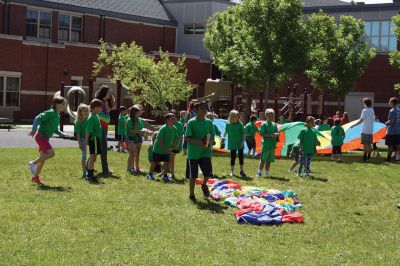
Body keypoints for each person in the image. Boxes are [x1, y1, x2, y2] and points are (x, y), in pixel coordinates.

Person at [28, 96, 68, 185]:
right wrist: (33, 130)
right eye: (62, 104)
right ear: (55, 104)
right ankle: (33, 163)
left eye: (64, 104)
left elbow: (55, 129)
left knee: (42, 159)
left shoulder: (57, 115)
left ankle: (35, 177)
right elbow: (38, 118)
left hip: (44, 138)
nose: (64, 106)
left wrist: (62, 134)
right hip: (41, 136)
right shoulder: (51, 112)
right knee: (51, 153)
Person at [185, 101, 215, 202]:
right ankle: (192, 194)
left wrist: (209, 142)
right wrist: (199, 142)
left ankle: (203, 184)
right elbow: (187, 138)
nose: (204, 110)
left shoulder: (209, 122)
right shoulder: (191, 122)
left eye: (205, 108)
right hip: (193, 153)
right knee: (193, 175)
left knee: (207, 173)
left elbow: (212, 136)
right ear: (196, 110)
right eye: (202, 108)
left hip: (205, 152)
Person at [146, 113, 178, 182]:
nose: (174, 120)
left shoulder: (174, 128)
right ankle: (150, 174)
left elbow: (176, 137)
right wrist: (163, 149)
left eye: (174, 118)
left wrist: (173, 145)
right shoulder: (163, 128)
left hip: (167, 149)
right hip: (158, 149)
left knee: (166, 162)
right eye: (172, 119)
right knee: (155, 161)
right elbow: (159, 139)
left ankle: (165, 176)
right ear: (167, 120)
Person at [95, 85, 114, 175]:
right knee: (102, 148)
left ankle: (89, 167)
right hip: (100, 127)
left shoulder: (105, 102)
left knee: (100, 148)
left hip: (105, 127)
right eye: (109, 92)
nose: (110, 94)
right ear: (104, 92)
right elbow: (96, 114)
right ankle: (105, 169)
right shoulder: (99, 102)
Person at [222, 110, 246, 178]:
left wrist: (242, 142)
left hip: (240, 143)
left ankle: (241, 171)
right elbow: (225, 132)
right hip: (232, 144)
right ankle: (232, 172)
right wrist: (223, 137)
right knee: (233, 157)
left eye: (237, 117)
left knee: (241, 157)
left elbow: (244, 134)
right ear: (231, 117)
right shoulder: (228, 125)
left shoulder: (240, 124)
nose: (236, 119)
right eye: (234, 117)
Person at [85, 99, 104, 182]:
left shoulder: (95, 115)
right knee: (93, 157)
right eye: (100, 107)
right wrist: (87, 141)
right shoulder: (92, 117)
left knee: (94, 157)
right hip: (94, 139)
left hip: (97, 139)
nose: (101, 109)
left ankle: (90, 171)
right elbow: (88, 131)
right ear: (95, 107)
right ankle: (90, 175)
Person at [257, 109, 279, 177]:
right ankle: (259, 173)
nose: (271, 118)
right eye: (269, 116)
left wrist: (277, 135)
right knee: (263, 159)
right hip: (266, 145)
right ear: (266, 116)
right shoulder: (264, 124)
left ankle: (267, 173)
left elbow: (276, 133)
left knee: (269, 161)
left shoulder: (274, 125)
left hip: (272, 145)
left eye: (272, 116)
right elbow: (261, 133)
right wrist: (271, 135)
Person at [126, 106, 148, 174]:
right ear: (134, 113)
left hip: (138, 137)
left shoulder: (139, 120)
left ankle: (137, 168)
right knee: (133, 152)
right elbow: (131, 131)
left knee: (137, 153)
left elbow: (141, 129)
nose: (139, 114)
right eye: (138, 113)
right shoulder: (129, 120)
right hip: (131, 138)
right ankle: (129, 168)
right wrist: (140, 132)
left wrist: (144, 133)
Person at [74, 104, 90, 177]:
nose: (86, 112)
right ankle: (84, 171)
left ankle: (89, 167)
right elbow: (78, 134)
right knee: (84, 155)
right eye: (84, 111)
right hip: (83, 139)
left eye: (87, 110)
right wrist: (79, 143)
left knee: (93, 154)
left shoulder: (89, 119)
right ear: (80, 112)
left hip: (90, 138)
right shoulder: (78, 122)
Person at [169, 110, 185, 179]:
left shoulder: (179, 124)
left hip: (176, 146)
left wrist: (176, 146)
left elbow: (181, 136)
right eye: (171, 118)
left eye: (174, 117)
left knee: (171, 158)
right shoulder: (169, 124)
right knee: (168, 158)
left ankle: (172, 174)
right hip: (169, 145)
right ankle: (165, 172)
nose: (173, 119)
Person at [384, 97, 400, 162]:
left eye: (389, 101)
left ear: (392, 102)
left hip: (391, 131)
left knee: (390, 145)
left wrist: (386, 123)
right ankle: (397, 157)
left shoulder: (392, 110)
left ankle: (388, 158)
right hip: (398, 130)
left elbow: (392, 121)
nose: (389, 103)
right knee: (397, 145)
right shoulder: (398, 109)